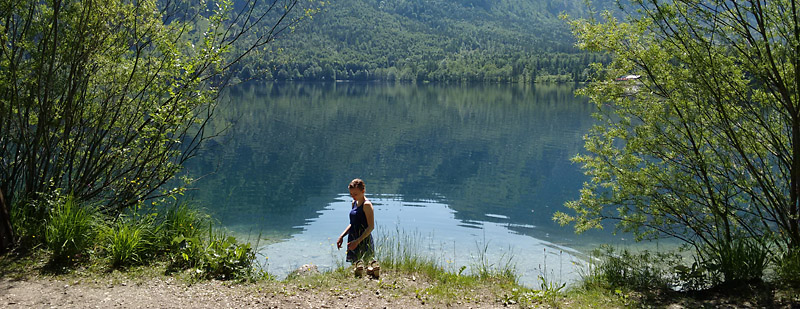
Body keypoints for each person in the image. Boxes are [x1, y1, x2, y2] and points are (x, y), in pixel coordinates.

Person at [336, 178, 374, 263]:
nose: (353, 196)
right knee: (355, 266)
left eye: (355, 194)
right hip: (353, 239)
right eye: (351, 194)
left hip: (363, 240)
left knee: (365, 265)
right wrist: (342, 236)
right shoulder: (354, 203)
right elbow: (352, 224)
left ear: (363, 191)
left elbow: (371, 227)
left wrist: (357, 241)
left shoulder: (367, 205)